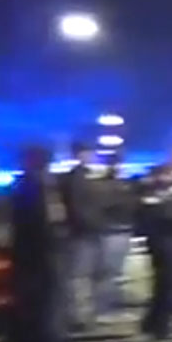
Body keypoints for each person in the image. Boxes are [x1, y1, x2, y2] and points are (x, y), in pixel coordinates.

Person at [8, 146, 67, 342]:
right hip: (40, 248)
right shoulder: (32, 185)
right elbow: (34, 220)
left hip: (40, 247)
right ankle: (47, 340)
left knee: (41, 295)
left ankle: (37, 338)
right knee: (47, 295)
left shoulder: (37, 184)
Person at [136, 158, 172, 342]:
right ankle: (162, 325)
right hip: (164, 241)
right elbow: (157, 215)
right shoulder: (154, 193)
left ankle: (154, 323)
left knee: (171, 283)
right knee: (168, 283)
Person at [58, 141, 107, 331]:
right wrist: (91, 224)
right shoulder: (78, 178)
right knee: (80, 276)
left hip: (87, 232)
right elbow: (79, 207)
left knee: (85, 275)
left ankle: (85, 315)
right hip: (84, 233)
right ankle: (80, 317)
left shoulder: (83, 176)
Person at [96, 151, 137, 322]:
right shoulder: (110, 186)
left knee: (114, 272)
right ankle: (105, 311)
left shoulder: (115, 184)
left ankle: (111, 309)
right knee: (110, 272)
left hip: (119, 229)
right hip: (113, 230)